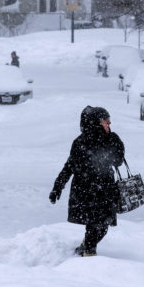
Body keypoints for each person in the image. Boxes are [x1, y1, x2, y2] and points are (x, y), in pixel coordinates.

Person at [49, 106, 125, 256]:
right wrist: (57, 187)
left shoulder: (110, 138)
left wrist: (114, 141)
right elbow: (69, 166)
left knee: (102, 227)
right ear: (95, 123)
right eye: (105, 120)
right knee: (95, 225)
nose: (109, 123)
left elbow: (118, 161)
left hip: (105, 190)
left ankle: (85, 248)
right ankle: (89, 257)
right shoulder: (80, 143)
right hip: (86, 192)